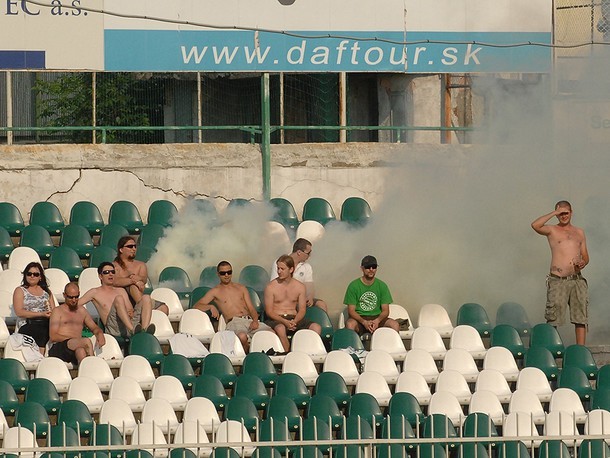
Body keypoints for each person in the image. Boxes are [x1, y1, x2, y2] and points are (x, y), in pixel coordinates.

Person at [532, 200, 590, 345]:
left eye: (566, 213)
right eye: (560, 213)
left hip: (576, 279)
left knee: (581, 318)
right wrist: (554, 213)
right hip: (558, 280)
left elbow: (585, 255)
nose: (563, 216)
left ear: (571, 212)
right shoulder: (552, 230)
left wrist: (583, 262)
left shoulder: (579, 232)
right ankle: (551, 348)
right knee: (553, 318)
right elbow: (535, 225)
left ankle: (580, 350)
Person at [193, 261, 271, 352]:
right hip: (234, 322)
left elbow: (251, 308)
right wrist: (210, 306)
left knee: (271, 333)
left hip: (248, 320)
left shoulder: (241, 288)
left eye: (229, 272)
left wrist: (254, 320)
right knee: (242, 337)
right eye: (223, 273)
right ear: (218, 274)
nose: (226, 275)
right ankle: (247, 357)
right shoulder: (215, 291)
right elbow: (196, 306)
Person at [78, 262, 155, 338]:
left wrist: (130, 312)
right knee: (119, 299)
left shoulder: (121, 290)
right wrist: (86, 318)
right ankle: (132, 330)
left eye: (113, 272)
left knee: (146, 297)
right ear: (100, 276)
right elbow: (76, 304)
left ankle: (145, 330)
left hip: (129, 323)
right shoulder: (94, 292)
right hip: (114, 328)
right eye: (106, 272)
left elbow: (130, 309)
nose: (110, 274)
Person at [264, 255, 321, 352]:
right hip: (276, 318)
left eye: (282, 269)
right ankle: (288, 354)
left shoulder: (300, 287)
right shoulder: (271, 287)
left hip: (294, 318)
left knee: (316, 327)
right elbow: (269, 311)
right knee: (281, 328)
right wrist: (284, 321)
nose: (279, 271)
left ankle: (307, 353)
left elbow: (302, 309)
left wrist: (295, 321)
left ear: (291, 270)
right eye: (278, 268)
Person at [48, 282, 105, 364]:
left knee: (81, 351)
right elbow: (53, 336)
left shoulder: (82, 311)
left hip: (76, 345)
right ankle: (93, 366)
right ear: (64, 295)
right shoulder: (58, 311)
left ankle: (85, 374)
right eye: (70, 297)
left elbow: (94, 327)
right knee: (86, 341)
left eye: (76, 297)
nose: (74, 300)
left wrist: (99, 333)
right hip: (59, 346)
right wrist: (73, 339)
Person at [343, 255, 399, 335]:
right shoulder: (353, 286)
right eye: (368, 267)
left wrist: (377, 321)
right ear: (362, 268)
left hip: (377, 318)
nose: (371, 270)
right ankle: (351, 347)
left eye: (374, 267)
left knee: (394, 325)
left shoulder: (382, 285)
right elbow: (351, 311)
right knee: (350, 324)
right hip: (359, 319)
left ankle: (393, 347)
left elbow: (385, 311)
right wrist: (364, 322)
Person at [113, 236, 169, 315]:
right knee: (132, 286)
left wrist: (138, 279)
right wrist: (133, 281)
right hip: (123, 300)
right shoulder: (114, 266)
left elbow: (144, 280)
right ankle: (144, 306)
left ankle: (145, 310)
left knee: (163, 308)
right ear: (121, 249)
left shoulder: (141, 265)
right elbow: (115, 281)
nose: (134, 249)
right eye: (130, 246)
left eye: (135, 246)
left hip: (139, 297)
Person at [269, 238, 328, 312]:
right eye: (308, 253)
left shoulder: (307, 267)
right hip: (285, 299)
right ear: (299, 252)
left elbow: (310, 286)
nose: (309, 256)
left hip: (301, 298)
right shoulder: (279, 263)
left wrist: (310, 297)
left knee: (321, 304)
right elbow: (275, 285)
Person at [12, 261, 56, 353]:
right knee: (41, 331)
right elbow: (19, 312)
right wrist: (41, 314)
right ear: (25, 275)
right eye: (29, 274)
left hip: (45, 322)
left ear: (40, 277)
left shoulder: (46, 292)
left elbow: (53, 310)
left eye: (35, 274)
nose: (32, 276)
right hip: (28, 323)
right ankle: (40, 357)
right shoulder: (20, 290)